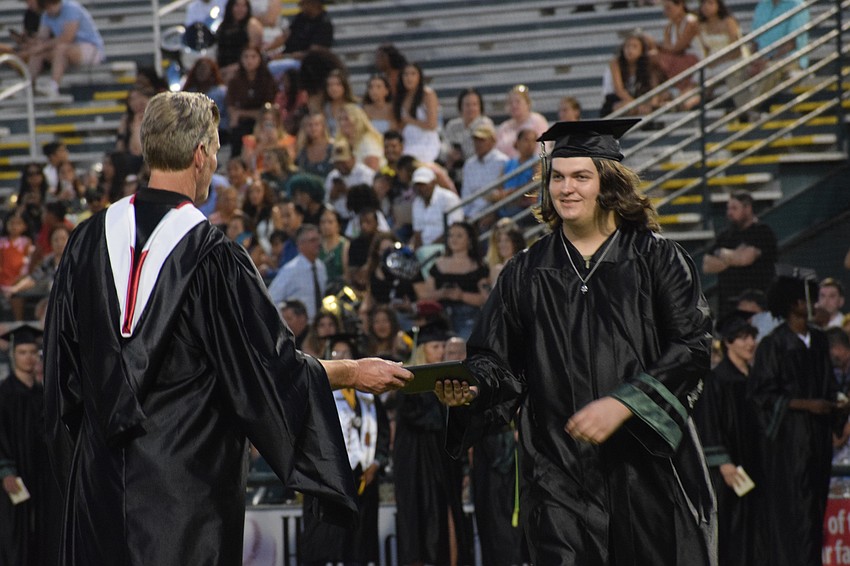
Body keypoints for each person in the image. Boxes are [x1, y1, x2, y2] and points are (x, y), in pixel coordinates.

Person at [43, 92, 411, 566]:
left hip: (99, 496)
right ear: (200, 154)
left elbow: (61, 388)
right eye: (215, 150)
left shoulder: (85, 243)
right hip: (185, 501)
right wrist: (353, 372)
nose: (215, 161)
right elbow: (268, 372)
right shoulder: (212, 256)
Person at [435, 119, 715, 565]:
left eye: (581, 176)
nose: (566, 188)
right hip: (558, 472)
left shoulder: (656, 259)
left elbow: (693, 347)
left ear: (608, 183)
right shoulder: (526, 271)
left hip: (646, 469)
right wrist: (473, 389)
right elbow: (495, 359)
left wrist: (626, 403)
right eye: (558, 177)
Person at [747, 274, 843, 566]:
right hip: (789, 442)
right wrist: (805, 404)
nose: (814, 305)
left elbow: (829, 386)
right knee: (791, 511)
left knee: (815, 508)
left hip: (817, 439)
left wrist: (836, 404)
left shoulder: (819, 340)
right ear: (793, 305)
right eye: (807, 299)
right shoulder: (773, 345)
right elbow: (761, 396)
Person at [300, 333, 390, 566]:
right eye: (336, 353)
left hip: (364, 479)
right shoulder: (317, 391)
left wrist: (376, 463)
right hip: (327, 480)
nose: (340, 356)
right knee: (326, 543)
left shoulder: (368, 393)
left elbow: (383, 433)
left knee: (359, 546)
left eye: (346, 353)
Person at [395, 320, 473, 566]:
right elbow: (423, 420)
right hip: (417, 464)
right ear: (422, 350)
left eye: (443, 346)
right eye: (435, 346)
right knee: (419, 518)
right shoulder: (409, 382)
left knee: (449, 512)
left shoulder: (447, 382)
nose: (441, 351)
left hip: (444, 462)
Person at [694, 312, 761, 566]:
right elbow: (709, 423)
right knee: (731, 529)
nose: (750, 343)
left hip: (756, 464)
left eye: (751, 337)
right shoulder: (716, 380)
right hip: (729, 470)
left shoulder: (756, 378)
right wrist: (723, 462)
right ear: (729, 342)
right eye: (743, 338)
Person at [0, 323, 61, 566]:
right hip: (14, 475)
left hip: (42, 474)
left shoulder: (43, 395)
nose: (28, 357)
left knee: (44, 532)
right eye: (22, 352)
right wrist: (6, 470)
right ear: (13, 355)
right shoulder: (4, 394)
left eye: (32, 352)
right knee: (14, 535)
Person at [702, 191, 777, 319]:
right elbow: (707, 265)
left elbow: (745, 259)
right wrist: (734, 256)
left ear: (748, 208)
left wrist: (722, 255)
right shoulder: (725, 235)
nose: (729, 213)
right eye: (728, 208)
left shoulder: (763, 232)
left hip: (756, 307)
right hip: (727, 307)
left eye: (734, 208)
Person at [420, 221, 490, 340]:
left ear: (469, 240)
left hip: (468, 317)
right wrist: (441, 293)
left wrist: (461, 296)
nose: (454, 239)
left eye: (459, 236)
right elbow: (426, 295)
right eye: (451, 235)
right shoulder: (438, 264)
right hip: (440, 318)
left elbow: (485, 298)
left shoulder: (479, 266)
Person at [26, 0, 104, 97]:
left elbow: (67, 38)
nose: (50, 9)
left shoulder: (71, 8)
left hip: (91, 49)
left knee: (61, 49)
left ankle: (53, 87)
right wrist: (34, 44)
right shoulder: (46, 15)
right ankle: (28, 86)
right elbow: (42, 38)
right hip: (68, 50)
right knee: (38, 52)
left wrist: (43, 46)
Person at [747, 0, 809, 102]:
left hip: (790, 60)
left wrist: (767, 60)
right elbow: (754, 41)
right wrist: (754, 60)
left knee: (770, 68)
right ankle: (748, 108)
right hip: (763, 59)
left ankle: (749, 108)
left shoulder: (797, 4)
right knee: (735, 73)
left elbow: (791, 44)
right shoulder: (762, 5)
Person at [264, 0, 333, 79]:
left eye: (303, 4)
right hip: (288, 56)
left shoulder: (324, 24)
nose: (301, 7)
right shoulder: (301, 17)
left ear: (313, 4)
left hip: (307, 63)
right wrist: (266, 49)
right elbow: (286, 35)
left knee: (271, 68)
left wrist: (285, 57)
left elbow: (313, 53)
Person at [601, 33, 661, 116]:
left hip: (636, 98)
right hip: (615, 100)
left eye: (634, 46)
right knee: (628, 107)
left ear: (642, 50)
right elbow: (619, 90)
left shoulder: (646, 65)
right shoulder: (616, 63)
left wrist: (652, 103)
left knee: (658, 102)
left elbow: (654, 87)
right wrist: (638, 105)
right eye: (627, 46)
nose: (630, 50)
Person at [393, 62, 441, 163]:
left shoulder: (427, 94)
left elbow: (432, 125)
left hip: (426, 141)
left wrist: (410, 120)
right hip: (407, 141)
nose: (409, 78)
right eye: (406, 74)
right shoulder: (400, 97)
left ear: (419, 77)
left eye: (413, 74)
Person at [461, 123, 508, 224]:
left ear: (492, 141)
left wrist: (493, 213)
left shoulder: (502, 161)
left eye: (482, 140)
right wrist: (465, 216)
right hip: (471, 214)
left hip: (492, 213)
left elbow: (502, 192)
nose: (478, 144)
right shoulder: (469, 164)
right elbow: (466, 194)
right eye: (476, 140)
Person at [657, 0, 702, 107]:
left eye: (669, 8)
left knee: (657, 58)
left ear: (680, 5)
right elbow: (668, 49)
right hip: (678, 60)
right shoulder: (669, 27)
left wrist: (658, 46)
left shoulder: (690, 21)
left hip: (694, 58)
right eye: (665, 9)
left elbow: (678, 47)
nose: (666, 12)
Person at [409, 167, 463, 250]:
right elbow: (417, 232)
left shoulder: (448, 198)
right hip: (425, 249)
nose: (420, 188)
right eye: (418, 185)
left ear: (433, 182)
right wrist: (419, 251)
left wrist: (429, 249)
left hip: (446, 246)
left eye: (424, 184)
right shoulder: (417, 203)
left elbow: (453, 229)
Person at [494, 85, 549, 159]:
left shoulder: (538, 121)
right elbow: (497, 152)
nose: (514, 105)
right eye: (510, 103)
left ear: (528, 104)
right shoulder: (504, 127)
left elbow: (542, 148)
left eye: (518, 101)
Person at [214, 0, 263, 82]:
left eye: (244, 6)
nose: (240, 9)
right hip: (222, 68)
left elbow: (254, 53)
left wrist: (234, 68)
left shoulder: (252, 25)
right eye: (237, 5)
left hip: (242, 69)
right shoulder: (223, 26)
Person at [442, 88, 495, 162]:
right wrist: (449, 153)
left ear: (480, 106)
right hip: (454, 164)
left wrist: (462, 154)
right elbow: (444, 145)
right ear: (461, 106)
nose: (471, 108)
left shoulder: (485, 124)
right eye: (467, 105)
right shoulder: (452, 125)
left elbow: (485, 149)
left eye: (474, 104)